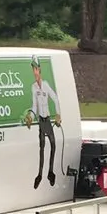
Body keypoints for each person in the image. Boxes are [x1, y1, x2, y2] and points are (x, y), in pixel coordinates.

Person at [23, 55, 62, 189]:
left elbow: (55, 99)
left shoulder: (45, 85)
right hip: (41, 120)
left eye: (36, 69)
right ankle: (39, 174)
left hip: (48, 119)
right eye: (33, 70)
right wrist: (30, 117)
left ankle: (50, 172)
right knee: (42, 147)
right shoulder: (33, 87)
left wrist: (58, 115)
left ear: (40, 70)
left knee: (53, 145)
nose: (35, 72)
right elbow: (34, 106)